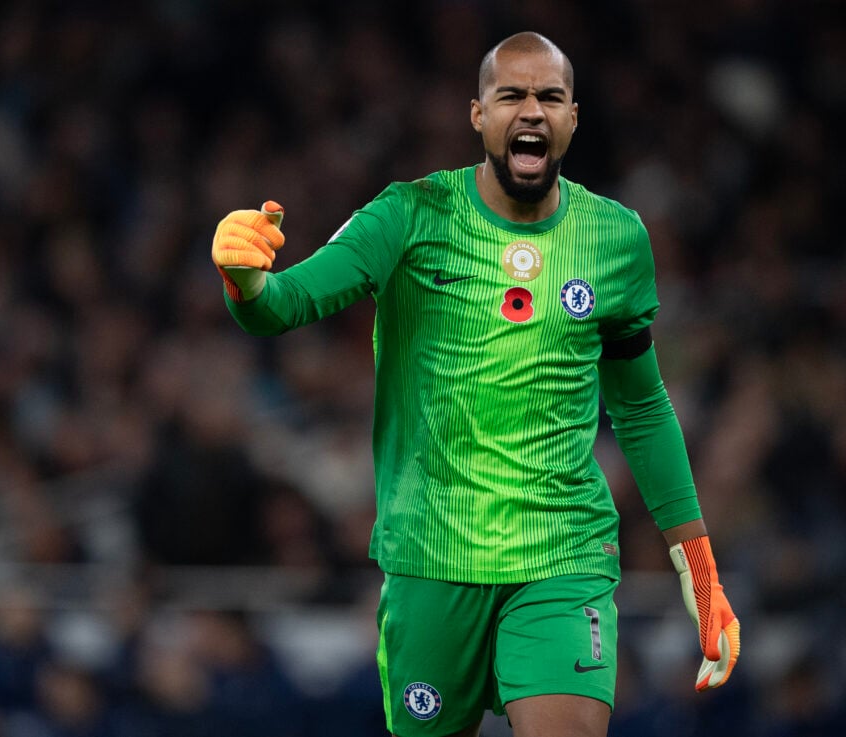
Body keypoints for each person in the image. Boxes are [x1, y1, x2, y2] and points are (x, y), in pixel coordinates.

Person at [210, 31, 740, 737]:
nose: (531, 111)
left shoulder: (615, 239)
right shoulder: (410, 214)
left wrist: (698, 565)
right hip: (433, 560)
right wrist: (245, 283)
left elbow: (641, 405)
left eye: (550, 96)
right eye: (510, 95)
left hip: (562, 556)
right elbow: (289, 303)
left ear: (572, 118)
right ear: (478, 115)